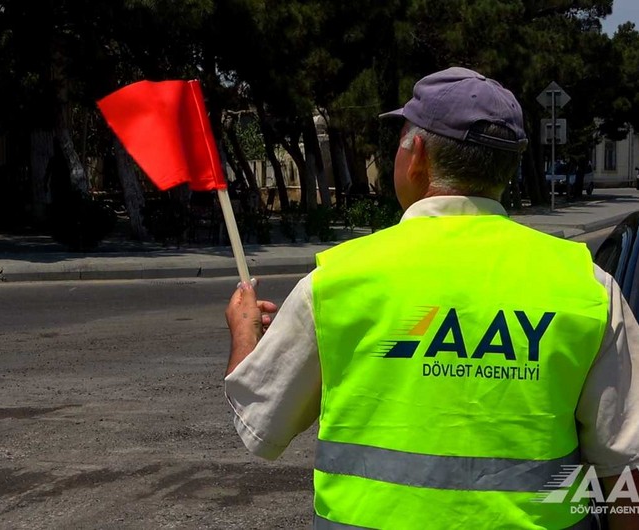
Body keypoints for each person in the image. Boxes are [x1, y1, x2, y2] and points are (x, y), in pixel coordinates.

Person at [224, 67, 639, 529]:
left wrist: (244, 334)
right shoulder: (586, 286)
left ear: (415, 154)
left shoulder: (338, 280)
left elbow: (260, 426)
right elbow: (624, 473)